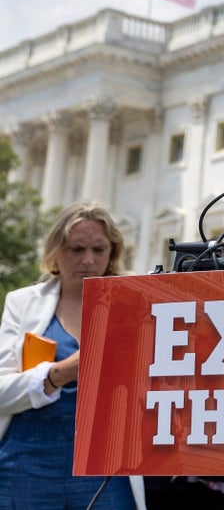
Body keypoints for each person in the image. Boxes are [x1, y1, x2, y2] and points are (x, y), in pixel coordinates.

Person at [0, 201, 144, 509]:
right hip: (27, 461)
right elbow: (1, 394)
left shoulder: (135, 304)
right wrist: (60, 372)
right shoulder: (22, 303)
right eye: (76, 249)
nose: (88, 260)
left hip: (106, 461)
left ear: (113, 253)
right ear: (55, 252)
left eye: (99, 249)